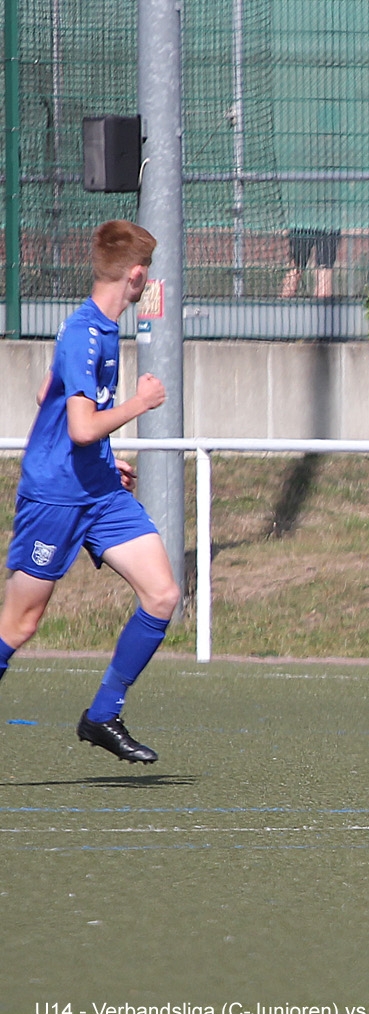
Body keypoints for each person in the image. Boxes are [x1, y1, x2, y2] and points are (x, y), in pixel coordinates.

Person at [0, 219, 180, 763]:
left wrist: (104, 459)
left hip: (98, 493)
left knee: (163, 594)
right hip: (55, 497)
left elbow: (46, 394)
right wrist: (141, 405)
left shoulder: (98, 329)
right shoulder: (85, 331)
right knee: (21, 623)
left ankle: (102, 715)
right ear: (138, 274)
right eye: (148, 277)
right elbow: (79, 427)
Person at [280, 226, 339, 298]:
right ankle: (286, 302)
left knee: (324, 279)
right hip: (304, 224)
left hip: (327, 226)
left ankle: (322, 304)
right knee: (295, 271)